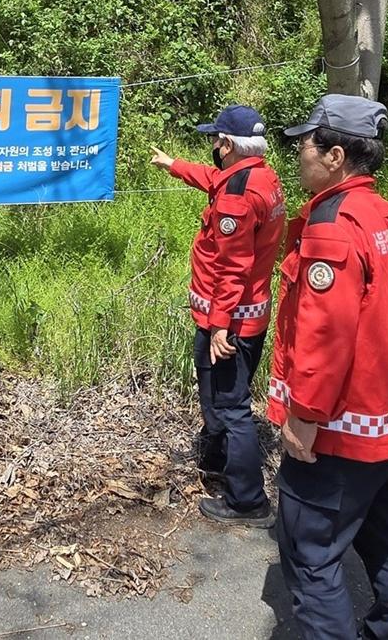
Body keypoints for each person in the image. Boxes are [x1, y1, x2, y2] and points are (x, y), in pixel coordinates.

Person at [267, 94, 388, 640]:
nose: (298, 157)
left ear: (335, 156)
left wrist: (304, 414)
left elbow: (324, 335)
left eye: (305, 146)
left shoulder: (333, 225)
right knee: (383, 533)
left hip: (339, 429)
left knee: (311, 552)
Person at [150, 104, 286, 526]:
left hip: (229, 323)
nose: (213, 145)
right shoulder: (260, 176)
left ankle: (247, 500)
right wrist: (173, 165)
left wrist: (220, 327)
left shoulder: (238, 198)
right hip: (247, 315)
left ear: (226, 144)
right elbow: (211, 178)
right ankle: (217, 461)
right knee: (215, 392)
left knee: (231, 405)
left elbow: (233, 267)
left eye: (215, 138)